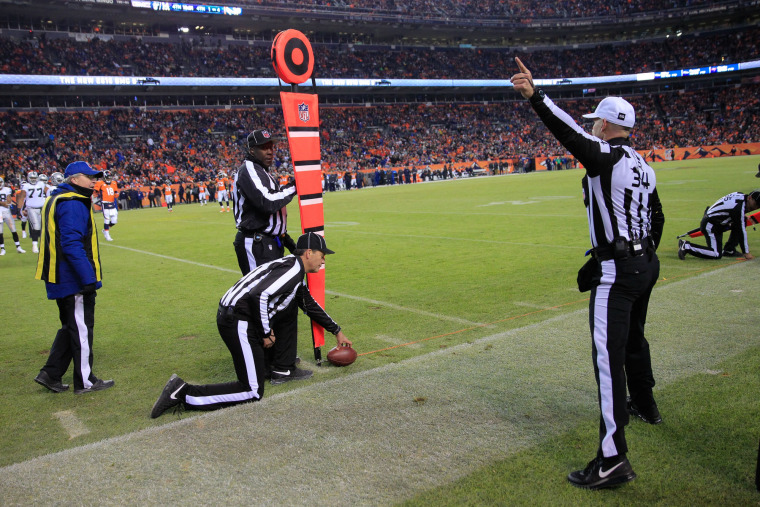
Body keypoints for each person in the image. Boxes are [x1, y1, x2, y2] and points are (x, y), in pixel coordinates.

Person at [511, 58, 665, 490]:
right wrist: (640, 256)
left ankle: (613, 459)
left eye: (597, 121)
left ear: (607, 125)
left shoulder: (608, 159)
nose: (593, 126)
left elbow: (568, 134)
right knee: (634, 338)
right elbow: (657, 216)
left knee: (607, 362)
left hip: (620, 271)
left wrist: (536, 97)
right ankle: (648, 405)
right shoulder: (642, 164)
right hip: (643, 264)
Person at [150, 232, 352, 418]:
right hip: (237, 320)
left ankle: (190, 390)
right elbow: (260, 294)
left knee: (255, 378)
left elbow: (308, 304)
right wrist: (266, 333)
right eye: (322, 254)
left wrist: (337, 331)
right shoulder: (292, 270)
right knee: (252, 391)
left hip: (236, 317)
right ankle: (183, 393)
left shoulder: (291, 267)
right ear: (309, 253)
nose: (324, 259)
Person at [33, 161, 114, 395]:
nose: (93, 181)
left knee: (70, 326)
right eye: (89, 177)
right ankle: (85, 381)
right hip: (71, 278)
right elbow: (71, 243)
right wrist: (87, 278)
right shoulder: (72, 202)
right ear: (74, 179)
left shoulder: (57, 198)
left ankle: (50, 373)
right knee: (81, 329)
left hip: (59, 275)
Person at [232, 129, 300, 378]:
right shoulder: (248, 169)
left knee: (275, 299)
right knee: (260, 299)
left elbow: (272, 216)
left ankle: (277, 355)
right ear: (251, 150)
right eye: (264, 147)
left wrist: (290, 243)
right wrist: (295, 187)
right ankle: (265, 361)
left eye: (272, 145)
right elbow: (267, 202)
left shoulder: (262, 172)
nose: (270, 150)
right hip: (256, 242)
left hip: (269, 242)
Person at [678, 190, 759, 261]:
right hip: (711, 225)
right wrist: (746, 252)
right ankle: (686, 246)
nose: (756, 207)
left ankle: (729, 250)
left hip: (716, 222)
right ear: (749, 198)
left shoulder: (740, 195)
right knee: (716, 254)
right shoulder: (738, 208)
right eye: (756, 204)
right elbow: (741, 230)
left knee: (742, 221)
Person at [18, 171, 46, 253]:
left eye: (34, 178)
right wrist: (20, 209)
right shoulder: (26, 186)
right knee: (36, 226)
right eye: (32, 178)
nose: (33, 180)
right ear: (28, 178)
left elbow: (48, 192)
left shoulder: (41, 184)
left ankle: (43, 245)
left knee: (43, 227)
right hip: (31, 208)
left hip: (42, 208)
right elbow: (22, 197)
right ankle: (34, 245)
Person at [0, 176, 26, 255]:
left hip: (7, 212)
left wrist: (2, 203)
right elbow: (6, 203)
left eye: (0, 182)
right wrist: (3, 203)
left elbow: (8, 202)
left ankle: (18, 247)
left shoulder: (7, 189)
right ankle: (3, 249)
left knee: (13, 230)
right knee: (0, 232)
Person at [93, 170, 119, 241]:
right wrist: (95, 196)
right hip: (105, 203)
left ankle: (105, 230)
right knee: (107, 219)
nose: (109, 179)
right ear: (104, 177)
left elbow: (116, 191)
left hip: (112, 202)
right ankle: (107, 235)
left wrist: (116, 194)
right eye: (107, 178)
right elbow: (95, 191)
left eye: (110, 178)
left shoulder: (114, 183)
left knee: (114, 221)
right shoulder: (100, 183)